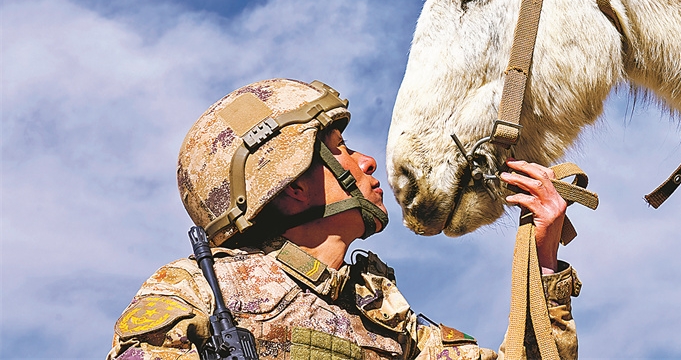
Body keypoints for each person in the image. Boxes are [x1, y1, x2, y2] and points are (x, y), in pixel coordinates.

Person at [108, 78, 581, 360]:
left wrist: (543, 254)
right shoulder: (200, 292)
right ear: (292, 184)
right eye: (341, 151)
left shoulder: (389, 319)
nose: (367, 161)